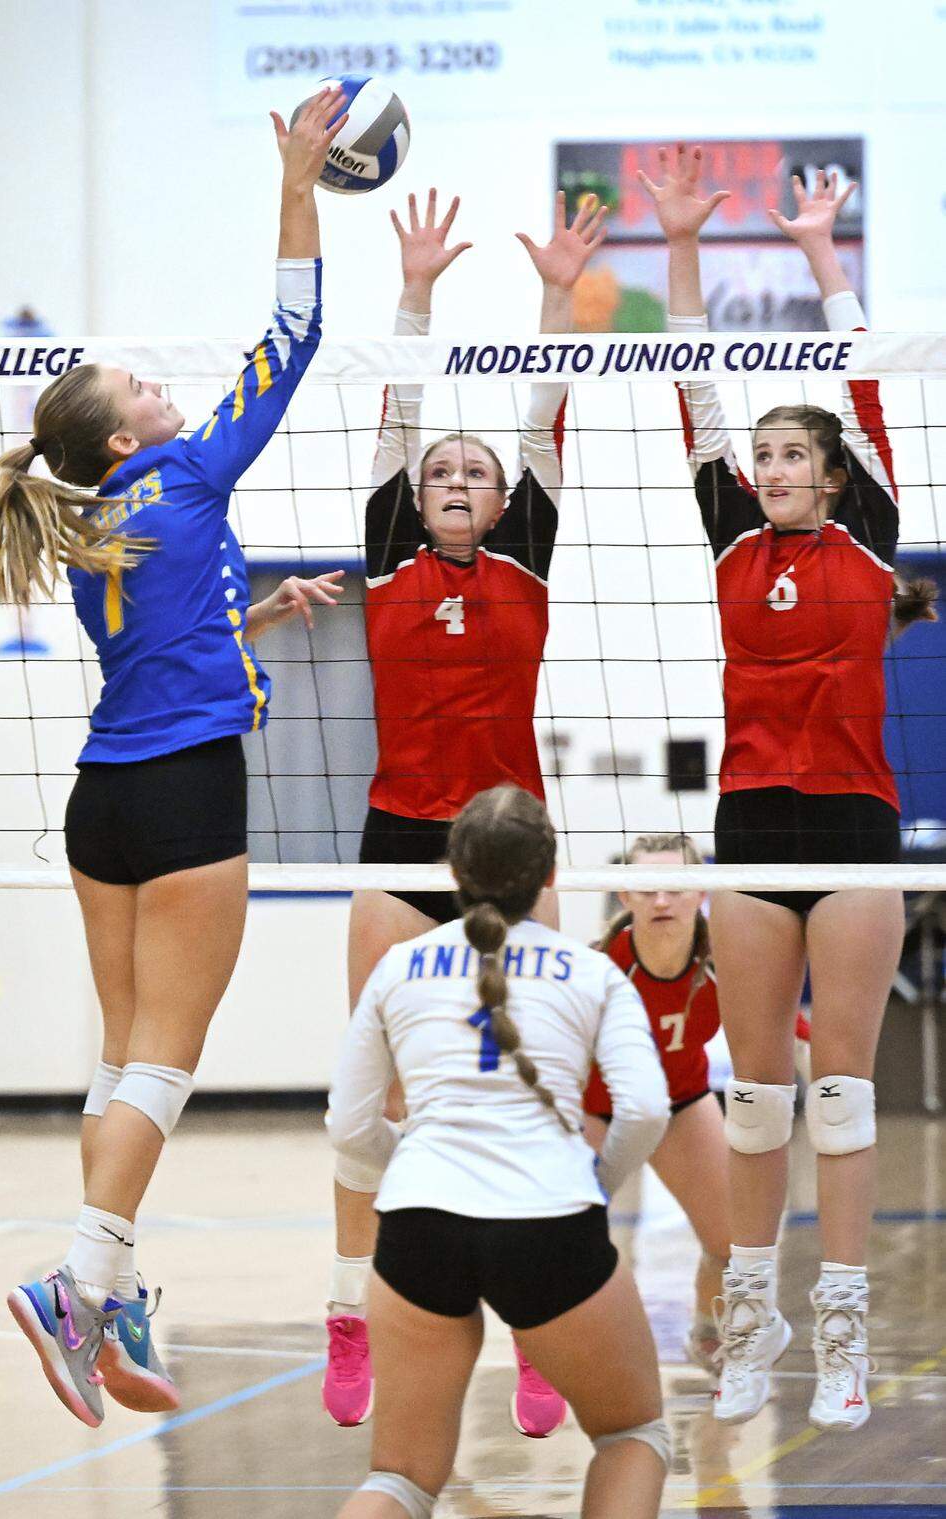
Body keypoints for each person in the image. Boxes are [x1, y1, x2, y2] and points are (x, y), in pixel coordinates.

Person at [0, 90, 347, 1429]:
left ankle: (114, 1286)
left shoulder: (91, 524)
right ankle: (79, 1282)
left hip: (102, 800)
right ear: (125, 435)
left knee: (122, 1058)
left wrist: (261, 619)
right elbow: (296, 335)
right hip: (180, 792)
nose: (171, 392)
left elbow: (176, 631)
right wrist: (297, 182)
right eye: (149, 390)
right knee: (167, 1058)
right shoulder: (184, 479)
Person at [642, 144, 937, 1430]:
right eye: (758, 453)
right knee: (756, 1096)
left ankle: (846, 1331)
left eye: (789, 452)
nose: (767, 464)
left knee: (845, 1092)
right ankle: (749, 1332)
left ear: (830, 470)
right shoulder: (730, 531)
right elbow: (690, 389)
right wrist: (684, 250)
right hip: (751, 823)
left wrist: (825, 255)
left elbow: (869, 381)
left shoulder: (867, 530)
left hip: (858, 825)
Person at [325, 187, 608, 1436]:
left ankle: (543, 1336)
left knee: (536, 1083)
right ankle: (350, 1314)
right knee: (376, 1093)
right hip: (400, 842)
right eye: (440, 467)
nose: (451, 475)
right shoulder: (389, 550)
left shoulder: (526, 556)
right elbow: (397, 409)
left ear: (499, 504)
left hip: (513, 844)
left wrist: (554, 296)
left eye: (472, 472)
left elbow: (543, 416)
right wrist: (417, 290)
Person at [327, 785, 671, 1519]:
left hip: (420, 1224)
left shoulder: (399, 966)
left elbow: (349, 1126)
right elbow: (643, 1108)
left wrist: (420, 1169)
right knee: (632, 1434)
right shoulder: (593, 971)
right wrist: (594, 1182)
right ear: (550, 878)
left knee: (400, 1477)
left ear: (452, 872)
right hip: (549, 1219)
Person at [583, 833, 728, 1374]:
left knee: (730, 1238)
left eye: (676, 886)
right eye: (647, 888)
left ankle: (708, 1333)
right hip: (597, 1108)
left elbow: (785, 1025)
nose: (662, 900)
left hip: (680, 1103)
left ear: (701, 893)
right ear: (625, 896)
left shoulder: (726, 964)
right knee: (563, 1237)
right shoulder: (598, 968)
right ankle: (562, 1351)